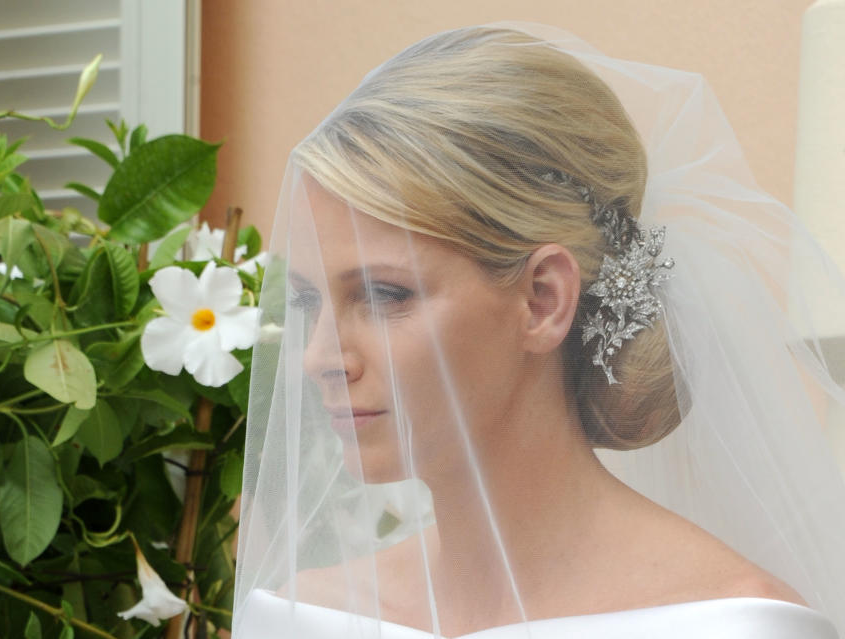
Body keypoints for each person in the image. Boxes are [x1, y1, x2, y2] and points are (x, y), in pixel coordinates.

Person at [231, 23, 845, 638]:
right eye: (310, 300)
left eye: (384, 295)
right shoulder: (299, 617)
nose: (318, 357)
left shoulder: (737, 625)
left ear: (544, 299)